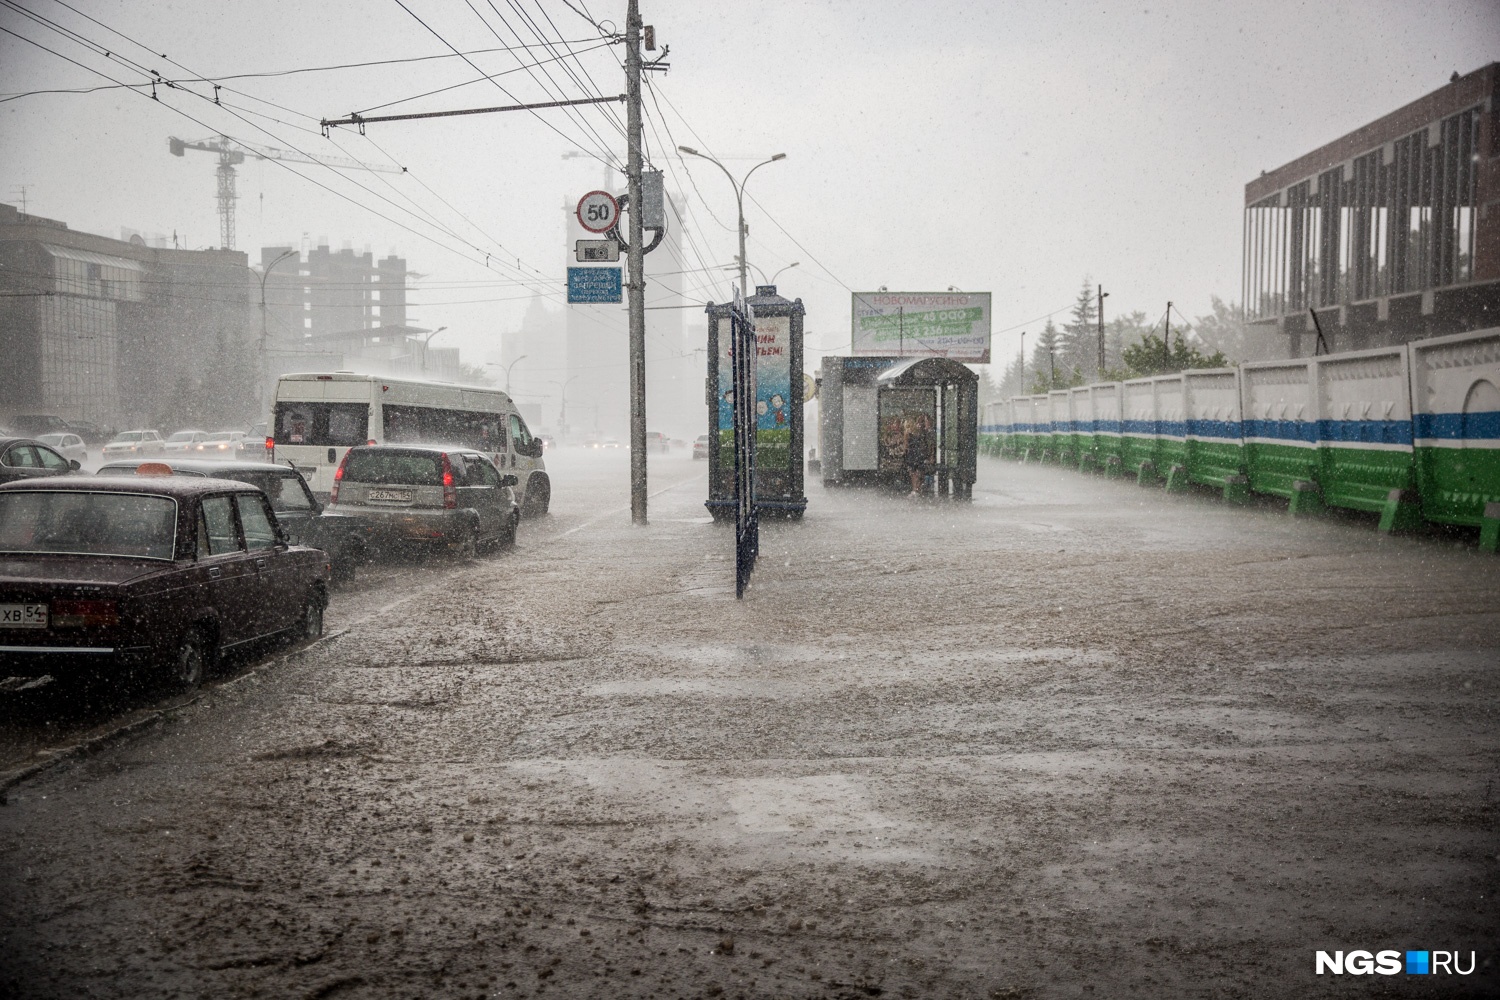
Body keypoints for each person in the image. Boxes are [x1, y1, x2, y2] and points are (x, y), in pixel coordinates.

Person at [903, 413, 934, 497]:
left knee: (917, 472)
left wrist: (930, 455)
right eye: (921, 421)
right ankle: (916, 489)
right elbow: (906, 445)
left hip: (918, 455)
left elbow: (930, 445)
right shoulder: (919, 432)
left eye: (923, 422)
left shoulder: (924, 432)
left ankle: (916, 489)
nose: (921, 424)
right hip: (916, 455)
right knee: (915, 472)